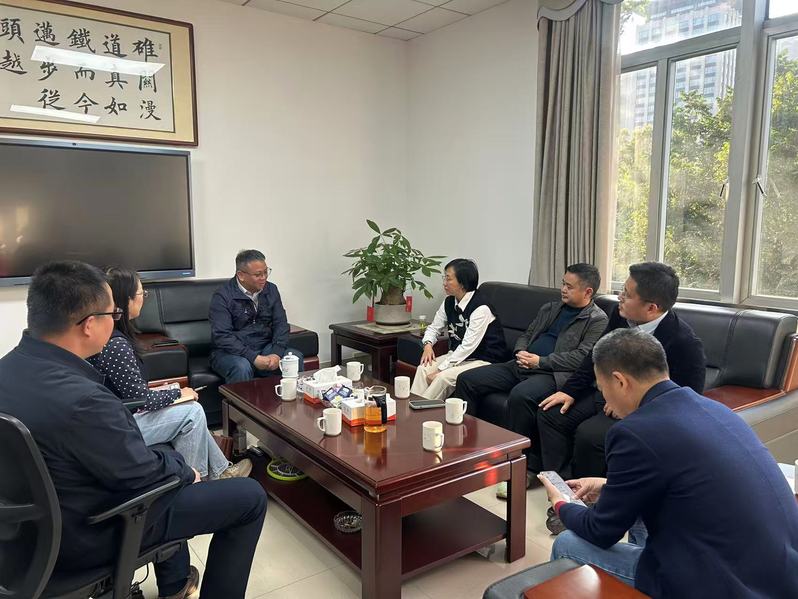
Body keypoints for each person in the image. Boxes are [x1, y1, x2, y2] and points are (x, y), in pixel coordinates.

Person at [0, 261, 267, 598]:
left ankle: (176, 581)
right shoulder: (84, 400)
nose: (116, 321)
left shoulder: (7, 370)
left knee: (167, 453)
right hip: (88, 532)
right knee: (249, 497)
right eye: (112, 314)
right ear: (88, 325)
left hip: (22, 538)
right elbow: (142, 476)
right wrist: (185, 471)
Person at [539, 328, 798, 598]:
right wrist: (608, 487)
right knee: (641, 514)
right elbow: (685, 483)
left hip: (723, 586)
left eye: (602, 389)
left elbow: (600, 531)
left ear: (620, 381)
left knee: (568, 543)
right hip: (779, 577)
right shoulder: (714, 409)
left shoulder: (633, 432)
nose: (604, 398)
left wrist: (562, 504)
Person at [537, 262, 705, 482]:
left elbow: (686, 399)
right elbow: (596, 354)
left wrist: (631, 404)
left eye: (627, 294)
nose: (619, 297)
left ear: (651, 308)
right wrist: (569, 391)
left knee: (590, 435)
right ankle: (560, 484)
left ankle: (588, 495)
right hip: (607, 394)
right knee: (551, 414)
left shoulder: (685, 343)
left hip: (640, 409)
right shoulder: (620, 316)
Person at [453, 264, 607, 498]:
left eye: (569, 286)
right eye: (562, 283)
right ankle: (467, 450)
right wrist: (521, 352)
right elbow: (526, 334)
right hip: (521, 364)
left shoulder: (597, 319)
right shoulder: (550, 307)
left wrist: (541, 362)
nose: (563, 289)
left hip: (552, 374)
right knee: (467, 380)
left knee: (521, 396)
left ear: (588, 291)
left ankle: (519, 466)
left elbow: (582, 357)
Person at [88, 267, 251, 480]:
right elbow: (140, 400)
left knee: (188, 404)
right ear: (126, 300)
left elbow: (129, 391)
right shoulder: (116, 345)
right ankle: (195, 482)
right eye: (142, 293)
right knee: (192, 413)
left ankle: (221, 472)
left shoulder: (113, 335)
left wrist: (171, 391)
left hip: (121, 415)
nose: (144, 298)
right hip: (120, 426)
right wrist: (177, 394)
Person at [410, 259, 508, 401]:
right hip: (459, 356)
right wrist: (428, 345)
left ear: (462, 283)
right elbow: (434, 328)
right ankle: (410, 407)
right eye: (444, 278)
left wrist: (440, 369)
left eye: (448, 279)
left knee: (442, 378)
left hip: (483, 360)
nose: (444, 283)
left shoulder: (481, 308)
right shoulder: (449, 302)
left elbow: (468, 346)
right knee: (423, 368)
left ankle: (418, 411)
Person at [210, 249, 304, 383]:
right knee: (242, 367)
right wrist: (253, 357)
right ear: (241, 275)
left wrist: (276, 353)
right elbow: (222, 336)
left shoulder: (271, 289)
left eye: (266, 272)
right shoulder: (222, 296)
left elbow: (281, 324)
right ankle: (239, 398)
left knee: (294, 358)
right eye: (258, 274)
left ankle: (291, 396)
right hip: (230, 352)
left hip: (265, 347)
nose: (264, 278)